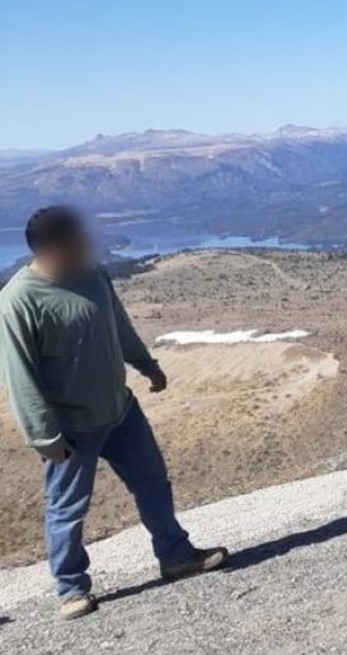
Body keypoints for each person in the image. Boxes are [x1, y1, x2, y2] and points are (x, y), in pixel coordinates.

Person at [0, 206, 228, 620]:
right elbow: (19, 376)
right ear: (56, 246)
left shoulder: (93, 275)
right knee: (67, 509)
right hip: (70, 428)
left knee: (153, 482)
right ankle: (71, 590)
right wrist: (43, 436)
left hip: (121, 412)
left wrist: (147, 365)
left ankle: (177, 557)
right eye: (79, 236)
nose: (89, 240)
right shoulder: (18, 301)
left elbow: (118, 327)